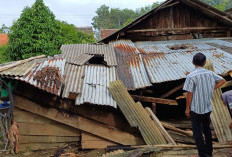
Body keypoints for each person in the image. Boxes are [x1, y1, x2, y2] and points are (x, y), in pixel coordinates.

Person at [183, 53, 226, 157]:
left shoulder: (191, 76)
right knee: (207, 130)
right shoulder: (210, 73)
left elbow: (189, 93)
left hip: (196, 109)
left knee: (197, 131)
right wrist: (213, 88)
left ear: (193, 62)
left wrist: (187, 108)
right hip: (207, 108)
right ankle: (209, 152)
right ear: (205, 62)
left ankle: (202, 154)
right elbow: (223, 80)